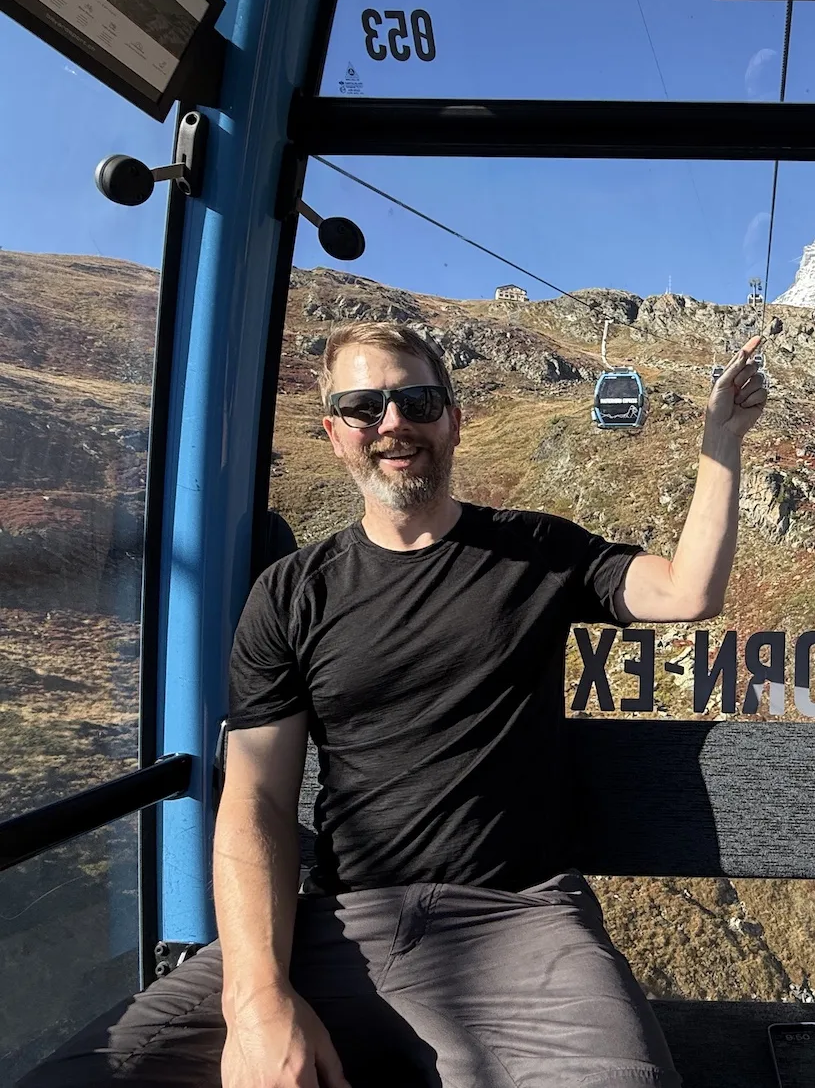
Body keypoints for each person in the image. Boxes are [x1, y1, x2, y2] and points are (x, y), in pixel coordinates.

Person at [22, 320, 768, 1088]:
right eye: (364, 406)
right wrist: (256, 999)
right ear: (334, 432)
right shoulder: (292, 595)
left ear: (453, 419)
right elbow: (257, 800)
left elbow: (688, 590)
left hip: (522, 922)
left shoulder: (541, 551)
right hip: (338, 924)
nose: (393, 424)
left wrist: (722, 438)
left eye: (417, 401)